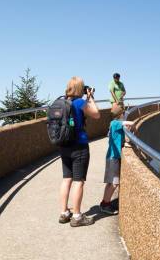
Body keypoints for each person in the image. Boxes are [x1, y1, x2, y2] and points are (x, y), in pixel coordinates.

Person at [59, 76, 101, 227]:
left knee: (66, 179)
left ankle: (64, 213)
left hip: (64, 146)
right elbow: (96, 114)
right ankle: (77, 216)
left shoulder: (62, 101)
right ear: (80, 89)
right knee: (78, 181)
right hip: (79, 146)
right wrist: (90, 98)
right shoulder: (80, 102)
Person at [99, 105, 134, 215]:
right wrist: (133, 126)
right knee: (114, 183)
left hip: (112, 156)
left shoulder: (114, 124)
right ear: (121, 115)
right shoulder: (115, 123)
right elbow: (130, 123)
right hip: (113, 157)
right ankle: (106, 204)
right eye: (123, 113)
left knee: (110, 183)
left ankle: (104, 202)